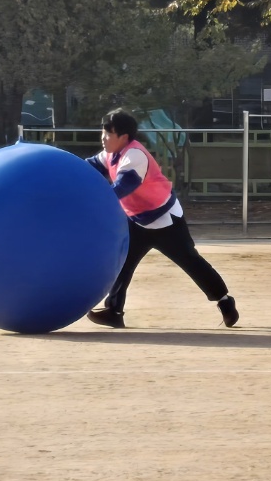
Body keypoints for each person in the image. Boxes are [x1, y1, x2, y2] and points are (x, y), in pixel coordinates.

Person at [84, 108, 239, 329]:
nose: (103, 137)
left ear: (123, 137)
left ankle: (225, 302)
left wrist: (91, 203)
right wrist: (63, 166)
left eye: (108, 133)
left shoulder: (134, 155)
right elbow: (87, 167)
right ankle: (114, 311)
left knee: (191, 262)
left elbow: (120, 189)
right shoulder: (110, 154)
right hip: (138, 220)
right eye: (103, 131)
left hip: (165, 219)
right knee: (122, 263)